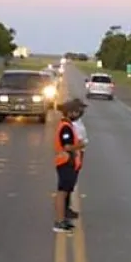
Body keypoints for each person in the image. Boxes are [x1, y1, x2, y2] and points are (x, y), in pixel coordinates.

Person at [53, 99, 87, 233]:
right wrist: (80, 145)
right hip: (65, 162)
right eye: (76, 111)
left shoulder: (68, 125)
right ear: (70, 112)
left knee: (65, 191)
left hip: (68, 162)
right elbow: (67, 146)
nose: (78, 114)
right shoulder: (65, 127)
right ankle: (59, 222)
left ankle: (62, 220)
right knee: (62, 193)